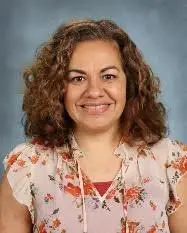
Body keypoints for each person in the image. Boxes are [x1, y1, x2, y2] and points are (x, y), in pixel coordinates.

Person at [0, 18, 187, 233]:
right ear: (56, 88)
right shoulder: (26, 167)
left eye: (108, 76)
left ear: (130, 82)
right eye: (78, 78)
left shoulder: (172, 163)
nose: (94, 91)